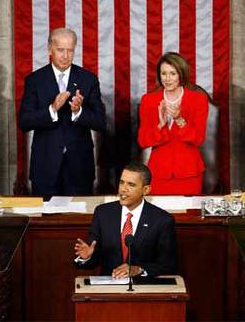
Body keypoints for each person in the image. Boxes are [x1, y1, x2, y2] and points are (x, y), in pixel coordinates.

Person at [19, 27, 106, 197]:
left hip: (79, 168)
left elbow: (100, 121)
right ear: (50, 49)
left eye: (70, 51)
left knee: (79, 221)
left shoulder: (88, 79)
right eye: (60, 50)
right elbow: (24, 121)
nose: (65, 56)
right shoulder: (35, 80)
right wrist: (52, 109)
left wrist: (79, 112)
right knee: (44, 221)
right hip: (45, 167)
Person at [74, 162, 177, 278]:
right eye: (121, 182)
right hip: (110, 287)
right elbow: (93, 260)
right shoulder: (103, 213)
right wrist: (87, 257)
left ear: (146, 190)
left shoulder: (162, 220)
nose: (123, 189)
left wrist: (139, 269)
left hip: (143, 288)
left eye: (131, 184)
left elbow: (169, 265)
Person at [138, 52, 209, 195]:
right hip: (159, 173)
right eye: (164, 74)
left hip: (189, 173)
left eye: (173, 73)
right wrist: (160, 125)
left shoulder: (198, 100)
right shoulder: (148, 100)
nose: (168, 79)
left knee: (188, 216)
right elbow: (143, 141)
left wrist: (179, 120)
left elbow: (198, 139)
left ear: (181, 74)